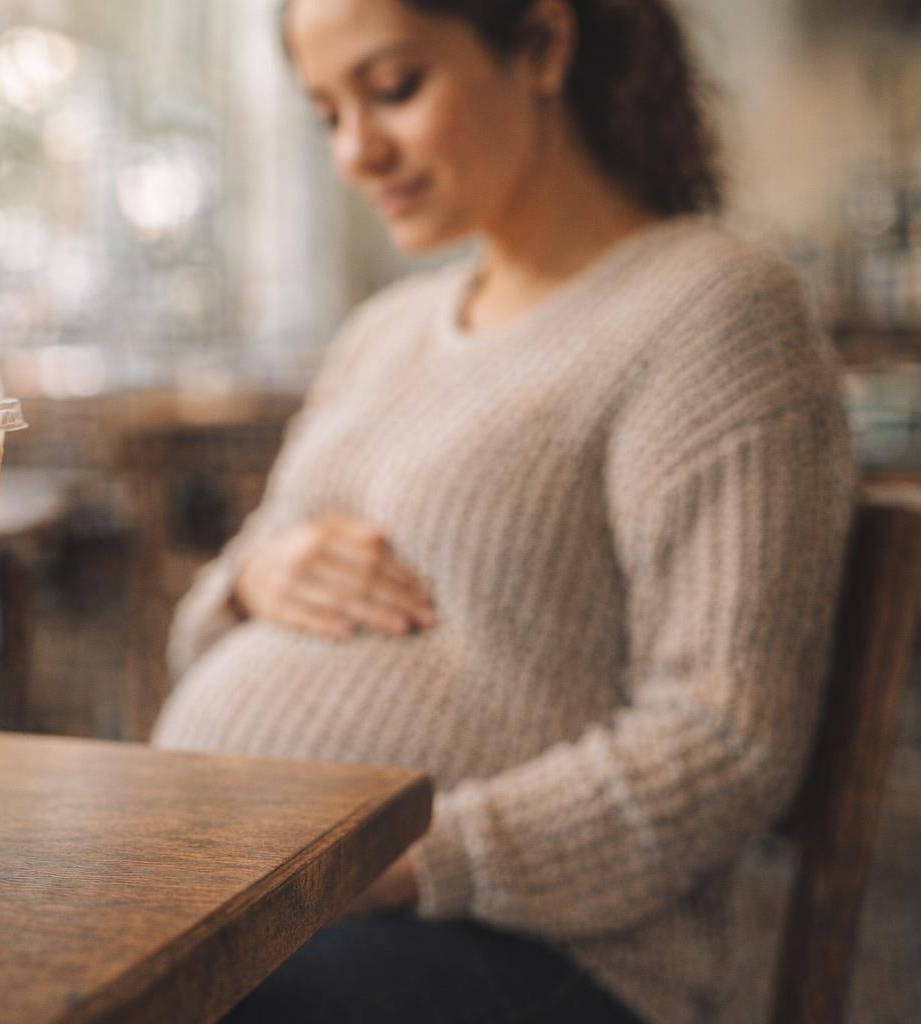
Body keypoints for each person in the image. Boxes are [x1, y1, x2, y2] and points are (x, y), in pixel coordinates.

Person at [148, 0, 856, 1021]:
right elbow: (202, 631)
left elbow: (725, 740)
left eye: (394, 89)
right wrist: (253, 578)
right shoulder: (382, 333)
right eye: (328, 113)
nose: (356, 151)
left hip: (533, 951)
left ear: (541, 44)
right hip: (274, 903)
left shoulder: (714, 312)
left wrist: (394, 863)